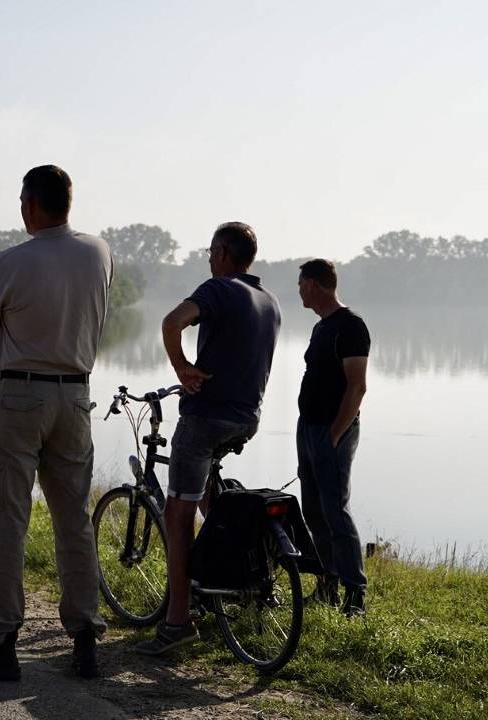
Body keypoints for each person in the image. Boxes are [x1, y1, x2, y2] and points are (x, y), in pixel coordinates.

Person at [0, 165, 113, 681]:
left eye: (22, 201)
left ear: (32, 205)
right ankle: (85, 637)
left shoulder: (12, 261)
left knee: (6, 519)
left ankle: (0, 644)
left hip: (20, 395)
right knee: (73, 520)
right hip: (76, 397)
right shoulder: (99, 252)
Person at [137, 221, 281, 655]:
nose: (208, 259)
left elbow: (170, 322)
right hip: (247, 417)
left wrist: (181, 367)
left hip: (206, 419)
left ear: (221, 253)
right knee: (210, 502)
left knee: (177, 514)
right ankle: (229, 581)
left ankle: (177, 621)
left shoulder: (218, 289)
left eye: (209, 252)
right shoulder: (269, 300)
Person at [296, 259, 370, 617]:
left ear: (313, 284)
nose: (298, 290)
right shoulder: (320, 328)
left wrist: (335, 434)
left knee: (335, 510)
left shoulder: (351, 326)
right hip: (307, 427)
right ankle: (327, 584)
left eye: (301, 284)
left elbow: (357, 386)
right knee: (312, 508)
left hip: (333, 430)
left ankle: (355, 594)